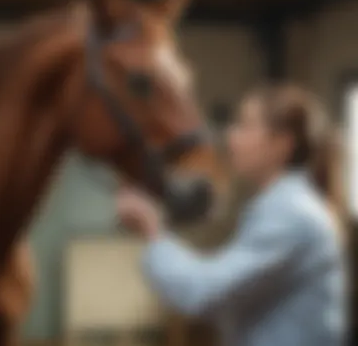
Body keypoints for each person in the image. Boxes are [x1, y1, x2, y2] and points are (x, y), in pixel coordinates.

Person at [117, 84, 348, 346]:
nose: (231, 136)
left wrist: (152, 230)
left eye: (245, 126)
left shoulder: (290, 215)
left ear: (281, 145)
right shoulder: (284, 207)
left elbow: (203, 293)